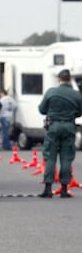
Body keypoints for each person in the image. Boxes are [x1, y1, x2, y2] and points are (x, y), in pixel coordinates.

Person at [38, 69, 82, 198]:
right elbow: (80, 112)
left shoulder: (51, 92)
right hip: (69, 126)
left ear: (59, 79)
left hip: (53, 126)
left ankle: (47, 188)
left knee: (50, 157)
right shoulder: (77, 95)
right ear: (69, 79)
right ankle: (64, 189)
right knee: (66, 158)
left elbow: (42, 109)